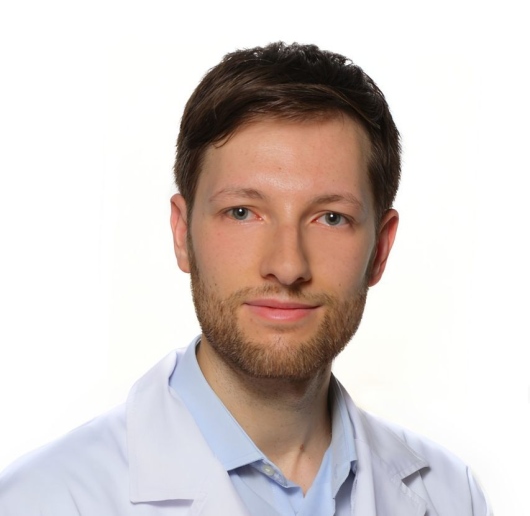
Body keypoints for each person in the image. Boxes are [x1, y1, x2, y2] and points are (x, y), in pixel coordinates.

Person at [0, 42, 491, 515]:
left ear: (380, 249)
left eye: (331, 217)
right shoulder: (41, 502)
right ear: (182, 234)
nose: (288, 265)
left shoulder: (453, 497)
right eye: (242, 212)